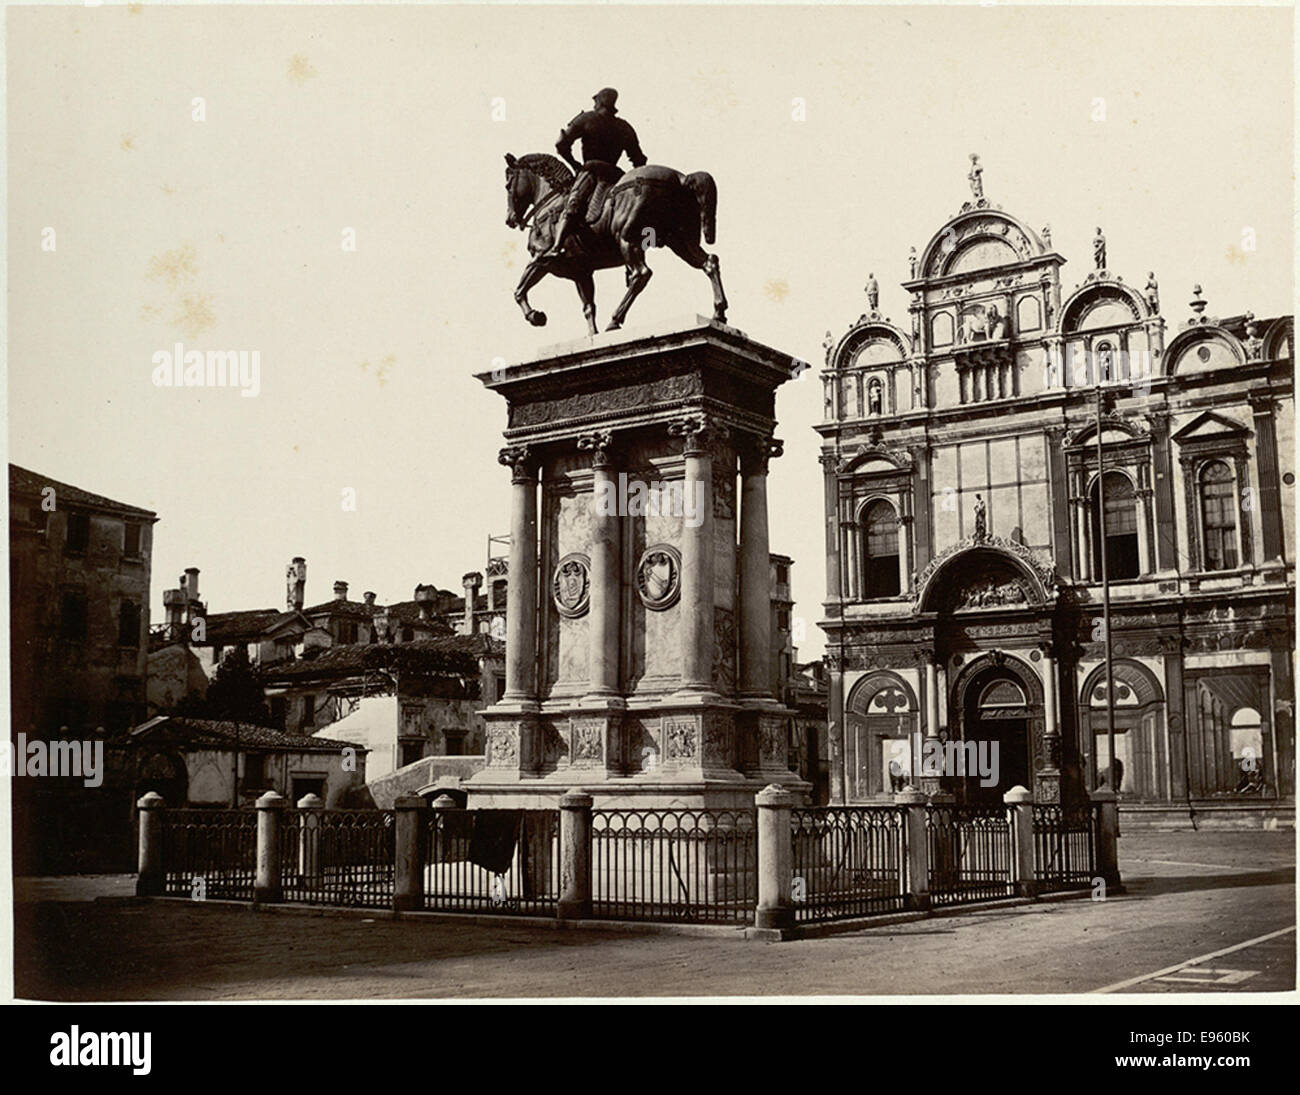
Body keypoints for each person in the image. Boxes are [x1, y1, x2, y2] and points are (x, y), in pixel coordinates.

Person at [544, 88, 647, 258]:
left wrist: (574, 164)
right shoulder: (624, 127)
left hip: (591, 171)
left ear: (599, 102)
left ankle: (557, 246)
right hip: (616, 176)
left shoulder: (586, 118)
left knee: (573, 205)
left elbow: (561, 143)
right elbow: (639, 160)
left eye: (595, 100)